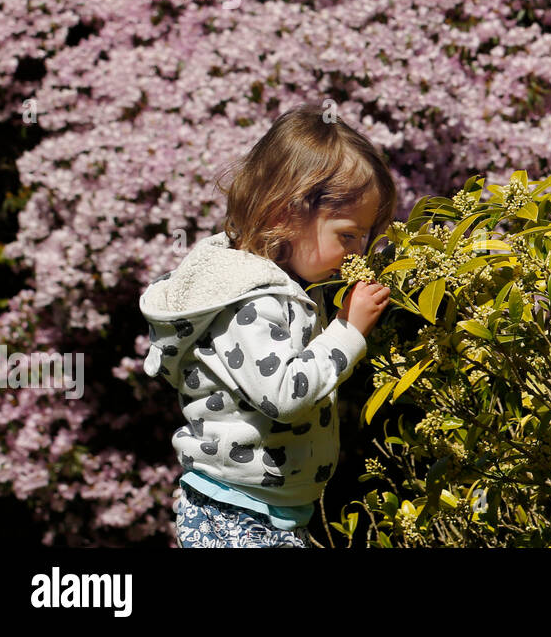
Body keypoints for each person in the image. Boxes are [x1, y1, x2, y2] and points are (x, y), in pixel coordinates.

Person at [140, 105, 396, 546]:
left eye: (366, 237)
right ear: (285, 214)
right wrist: (348, 332)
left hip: (263, 508)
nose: (359, 252)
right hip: (235, 513)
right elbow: (284, 395)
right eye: (348, 235)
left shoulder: (287, 285)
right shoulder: (253, 303)